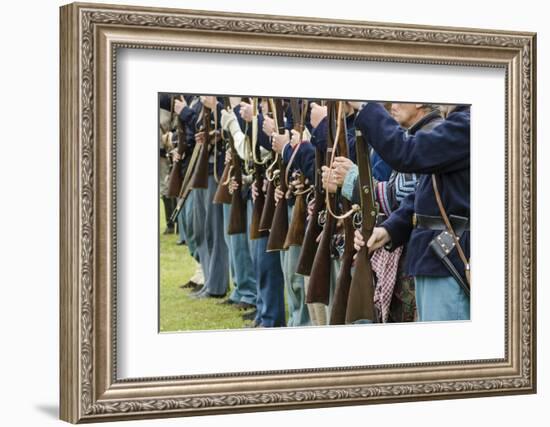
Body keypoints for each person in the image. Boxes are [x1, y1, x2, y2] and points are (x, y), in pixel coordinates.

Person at [350, 102, 470, 322]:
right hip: (436, 257)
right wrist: (389, 229)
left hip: (448, 261)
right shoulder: (458, 123)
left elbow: (406, 152)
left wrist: (366, 106)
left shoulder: (469, 124)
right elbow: (425, 194)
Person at [325, 103, 443, 322]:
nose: (392, 104)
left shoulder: (432, 132)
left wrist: (350, 181)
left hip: (418, 254)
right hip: (404, 248)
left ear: (419, 102)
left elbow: (397, 195)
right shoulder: (419, 133)